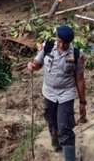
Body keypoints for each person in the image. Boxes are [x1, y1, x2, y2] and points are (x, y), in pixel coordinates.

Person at [26, 25, 87, 161]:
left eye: (65, 43)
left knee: (65, 127)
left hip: (66, 94)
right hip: (49, 93)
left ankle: (70, 158)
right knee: (51, 121)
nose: (61, 45)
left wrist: (83, 102)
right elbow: (38, 63)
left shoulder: (77, 55)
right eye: (59, 41)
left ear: (69, 42)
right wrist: (33, 66)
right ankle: (56, 144)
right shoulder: (47, 46)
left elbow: (80, 79)